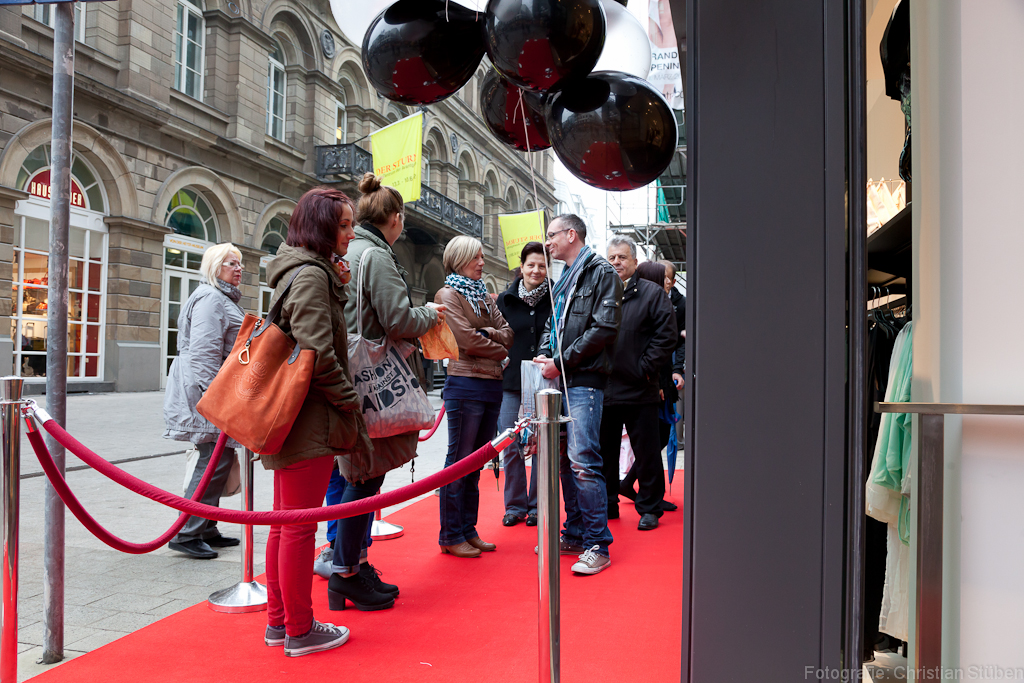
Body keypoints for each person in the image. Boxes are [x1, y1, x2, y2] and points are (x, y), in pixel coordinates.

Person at [261, 187, 371, 656]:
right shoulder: (310, 274)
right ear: (322, 228)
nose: (351, 233)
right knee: (297, 527)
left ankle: (280, 623)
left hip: (295, 415)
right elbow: (318, 353)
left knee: (284, 523)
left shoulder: (304, 269)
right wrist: (349, 403)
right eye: (344, 225)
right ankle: (300, 629)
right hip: (308, 416)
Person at [330, 172, 446, 601]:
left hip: (351, 371)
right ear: (395, 218)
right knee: (363, 477)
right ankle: (346, 572)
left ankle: (354, 565)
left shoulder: (352, 250)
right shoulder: (376, 256)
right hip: (371, 376)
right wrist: (430, 313)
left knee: (360, 474)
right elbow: (398, 319)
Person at [534, 214, 622, 575]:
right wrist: (545, 354)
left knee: (583, 461)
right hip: (560, 378)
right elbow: (551, 324)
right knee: (565, 461)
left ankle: (597, 544)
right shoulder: (565, 277)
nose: (547, 242)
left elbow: (604, 328)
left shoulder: (601, 272)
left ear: (572, 234)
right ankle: (574, 532)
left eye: (551, 235)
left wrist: (560, 362)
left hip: (583, 380)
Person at [163, 242, 245, 560]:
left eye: (239, 263)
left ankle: (206, 527)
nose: (238, 268)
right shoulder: (212, 298)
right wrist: (215, 398)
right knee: (213, 458)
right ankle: (187, 532)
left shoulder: (219, 297)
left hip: (207, 389)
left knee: (219, 456)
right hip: (204, 391)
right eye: (231, 263)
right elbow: (203, 354)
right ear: (214, 267)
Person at [436, 236, 513, 557]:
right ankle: (451, 534)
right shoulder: (448, 294)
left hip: (491, 384)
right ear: (460, 259)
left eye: (483, 256)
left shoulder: (482, 293)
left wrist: (488, 335)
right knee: (459, 461)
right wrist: (498, 348)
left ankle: (468, 530)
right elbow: (465, 341)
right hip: (465, 385)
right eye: (476, 257)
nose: (482, 262)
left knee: (476, 463)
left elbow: (508, 333)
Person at [600, 249, 675, 530]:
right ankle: (607, 504)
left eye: (622, 257)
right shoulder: (602, 291)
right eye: (611, 257)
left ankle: (650, 508)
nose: (616, 262)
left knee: (647, 453)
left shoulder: (652, 294)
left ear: (634, 262)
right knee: (604, 452)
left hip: (640, 388)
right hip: (605, 386)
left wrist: (644, 367)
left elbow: (666, 336)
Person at [496, 242, 552, 528]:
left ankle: (536, 505)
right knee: (509, 442)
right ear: (522, 266)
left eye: (542, 265)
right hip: (510, 381)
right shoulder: (505, 299)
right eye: (531, 264)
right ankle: (515, 506)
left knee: (542, 443)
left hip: (544, 381)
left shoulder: (555, 298)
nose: (536, 270)